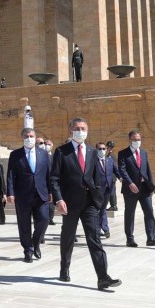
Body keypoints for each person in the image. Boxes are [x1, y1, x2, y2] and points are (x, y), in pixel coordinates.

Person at [50, 117, 120, 290]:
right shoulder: (61, 151)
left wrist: (98, 200)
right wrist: (59, 199)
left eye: (83, 128)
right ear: (70, 131)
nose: (80, 131)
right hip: (69, 202)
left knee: (94, 239)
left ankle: (103, 277)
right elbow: (54, 179)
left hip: (89, 203)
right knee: (68, 237)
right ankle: (64, 268)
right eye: (77, 128)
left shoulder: (92, 152)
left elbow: (97, 177)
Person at [6, 128, 51, 262]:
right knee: (24, 224)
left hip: (41, 194)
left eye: (31, 136)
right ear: (22, 138)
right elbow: (10, 175)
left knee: (44, 219)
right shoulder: (15, 154)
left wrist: (51, 192)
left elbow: (49, 174)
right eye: (26, 136)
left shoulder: (44, 154)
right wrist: (10, 192)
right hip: (22, 194)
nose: (29, 138)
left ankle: (35, 242)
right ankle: (28, 250)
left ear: (35, 137)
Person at [118, 130, 155, 247]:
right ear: (130, 140)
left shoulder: (143, 153)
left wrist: (151, 186)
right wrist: (130, 183)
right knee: (130, 213)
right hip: (130, 189)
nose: (137, 141)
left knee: (149, 212)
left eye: (139, 139)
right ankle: (130, 239)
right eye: (135, 139)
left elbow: (147, 170)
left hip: (144, 189)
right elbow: (122, 169)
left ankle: (151, 238)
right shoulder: (123, 153)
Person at [94, 142, 115, 239]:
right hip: (97, 189)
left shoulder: (109, 160)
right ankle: (101, 229)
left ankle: (104, 229)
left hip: (108, 189)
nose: (102, 150)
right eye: (100, 149)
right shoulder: (93, 161)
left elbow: (116, 170)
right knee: (98, 209)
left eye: (103, 148)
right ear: (96, 150)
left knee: (103, 209)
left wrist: (122, 178)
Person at [105, 140, 119, 212]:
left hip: (112, 177)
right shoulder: (107, 155)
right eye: (109, 147)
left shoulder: (112, 156)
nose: (110, 148)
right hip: (108, 177)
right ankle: (113, 205)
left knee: (112, 192)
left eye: (111, 147)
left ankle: (113, 206)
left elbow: (115, 168)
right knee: (110, 192)